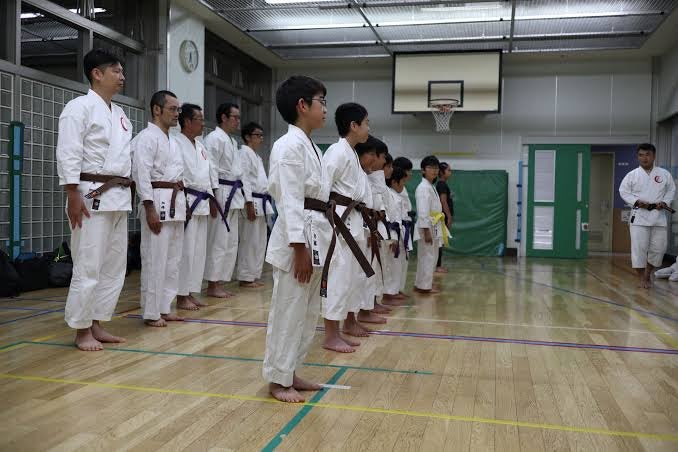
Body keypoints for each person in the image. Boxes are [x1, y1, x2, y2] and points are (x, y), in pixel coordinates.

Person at [262, 75, 332, 403]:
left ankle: (290, 371)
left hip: (315, 232)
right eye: (321, 102)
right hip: (297, 240)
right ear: (302, 105)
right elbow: (289, 201)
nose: (325, 108)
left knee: (307, 313)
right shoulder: (288, 146)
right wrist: (299, 247)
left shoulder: (310, 146)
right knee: (288, 312)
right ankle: (278, 378)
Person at [57, 48, 131, 351]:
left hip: (118, 196)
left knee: (113, 266)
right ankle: (81, 329)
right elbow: (69, 151)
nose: (122, 76)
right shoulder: (79, 108)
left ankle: (97, 322)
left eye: (122, 71)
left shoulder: (121, 114)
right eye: (116, 70)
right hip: (90, 194)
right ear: (96, 74)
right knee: (88, 264)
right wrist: (72, 193)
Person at [322, 103, 375, 352]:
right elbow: (323, 189)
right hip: (339, 224)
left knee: (352, 279)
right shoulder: (336, 152)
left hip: (353, 222)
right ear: (354, 125)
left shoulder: (351, 153)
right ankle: (330, 334)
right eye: (366, 123)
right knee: (337, 279)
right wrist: (329, 221)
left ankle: (348, 323)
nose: (368, 128)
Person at [132, 90, 186, 326]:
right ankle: (151, 312)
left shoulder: (173, 141)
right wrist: (149, 207)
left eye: (178, 109)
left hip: (175, 201)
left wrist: (184, 204)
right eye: (172, 109)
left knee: (173, 260)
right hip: (156, 200)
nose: (177, 114)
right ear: (157, 109)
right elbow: (141, 173)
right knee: (155, 259)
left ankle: (165, 307)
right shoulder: (146, 137)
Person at [203, 103, 253, 298]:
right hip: (221, 192)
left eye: (239, 117)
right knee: (218, 241)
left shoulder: (231, 141)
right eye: (235, 117)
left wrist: (247, 199)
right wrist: (213, 196)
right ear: (223, 117)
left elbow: (241, 173)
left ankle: (220, 281)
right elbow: (211, 168)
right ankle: (212, 283)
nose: (238, 121)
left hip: (233, 193)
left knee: (230, 242)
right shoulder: (214, 138)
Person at [176, 103, 219, 311]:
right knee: (185, 251)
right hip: (187, 201)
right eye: (199, 119)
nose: (203, 123)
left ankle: (191, 291)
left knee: (198, 251)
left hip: (202, 201)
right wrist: (183, 202)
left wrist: (212, 199)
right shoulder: (176, 143)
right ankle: (181, 295)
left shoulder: (201, 147)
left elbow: (208, 175)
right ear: (187, 122)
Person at [619, 143, 675, 288]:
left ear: (654, 156)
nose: (644, 158)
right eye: (641, 155)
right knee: (639, 249)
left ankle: (647, 273)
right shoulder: (632, 175)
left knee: (659, 249)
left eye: (647, 155)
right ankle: (642, 277)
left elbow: (671, 190)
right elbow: (623, 191)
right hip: (639, 217)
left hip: (658, 216)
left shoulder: (664, 174)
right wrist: (636, 201)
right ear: (638, 157)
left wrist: (665, 202)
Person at [236, 122, 273, 288]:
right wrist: (249, 202)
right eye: (257, 135)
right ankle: (245, 276)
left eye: (262, 135)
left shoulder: (256, 156)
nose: (261, 138)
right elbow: (244, 179)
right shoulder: (244, 153)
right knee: (249, 240)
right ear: (247, 137)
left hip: (261, 201)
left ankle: (254, 274)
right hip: (251, 201)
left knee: (259, 241)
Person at [365, 138, 393, 315]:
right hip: (369, 226)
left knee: (377, 265)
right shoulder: (365, 177)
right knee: (370, 267)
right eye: (382, 157)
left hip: (378, 226)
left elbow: (384, 205)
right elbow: (368, 206)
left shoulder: (377, 178)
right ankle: (367, 306)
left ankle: (374, 301)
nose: (383, 162)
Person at [414, 155, 444, 294]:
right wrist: (426, 230)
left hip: (433, 224)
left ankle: (422, 284)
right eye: (431, 167)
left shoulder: (430, 186)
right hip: (427, 226)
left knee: (430, 256)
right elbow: (423, 211)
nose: (434, 170)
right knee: (427, 256)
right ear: (423, 170)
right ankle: (424, 286)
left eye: (436, 168)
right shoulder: (423, 188)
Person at [383, 166, 408, 305]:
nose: (403, 185)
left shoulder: (396, 196)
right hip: (394, 232)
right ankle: (388, 293)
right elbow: (392, 218)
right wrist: (394, 237)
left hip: (401, 231)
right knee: (392, 264)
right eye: (402, 182)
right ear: (394, 182)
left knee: (399, 264)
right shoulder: (390, 195)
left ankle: (395, 290)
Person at [393, 156, 414, 298]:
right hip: (397, 227)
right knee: (396, 261)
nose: (410, 174)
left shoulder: (403, 188)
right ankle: (392, 292)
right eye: (408, 170)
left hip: (405, 226)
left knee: (403, 261)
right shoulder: (393, 189)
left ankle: (399, 289)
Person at [435, 162, 454, 273]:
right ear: (442, 172)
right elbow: (443, 201)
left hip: (443, 217)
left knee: (441, 241)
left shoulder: (443, 185)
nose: (450, 172)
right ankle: (437, 266)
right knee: (440, 241)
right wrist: (449, 216)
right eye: (448, 170)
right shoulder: (441, 184)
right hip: (443, 217)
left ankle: (438, 265)